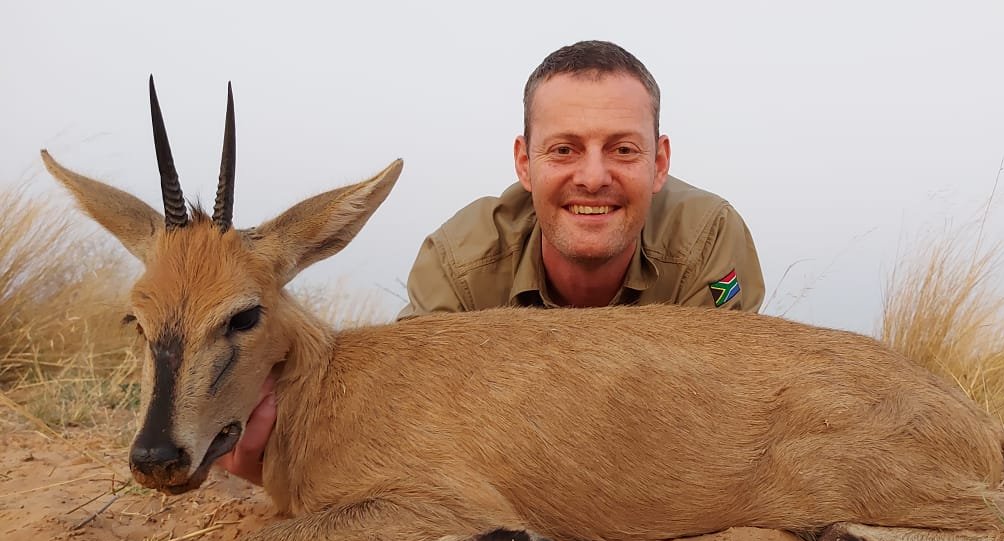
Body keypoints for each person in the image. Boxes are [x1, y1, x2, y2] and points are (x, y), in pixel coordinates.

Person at [218, 40, 766, 485]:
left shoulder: (709, 241)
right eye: (564, 149)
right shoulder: (458, 262)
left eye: (623, 149)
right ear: (524, 164)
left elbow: (721, 417)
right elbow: (414, 433)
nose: (594, 176)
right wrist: (283, 456)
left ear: (660, 161)